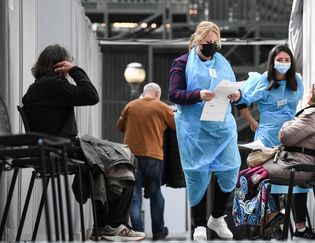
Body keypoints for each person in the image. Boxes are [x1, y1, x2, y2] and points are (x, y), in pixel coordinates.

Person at [22, 44, 146, 241]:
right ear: (59, 65)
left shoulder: (34, 89)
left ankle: (105, 226)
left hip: (48, 150)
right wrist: (75, 70)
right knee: (125, 157)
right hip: (63, 148)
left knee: (100, 164)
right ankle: (113, 224)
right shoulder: (54, 85)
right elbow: (91, 96)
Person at [168, 21, 242, 241]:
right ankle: (199, 224)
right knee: (197, 174)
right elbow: (174, 94)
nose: (212, 45)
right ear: (198, 40)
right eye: (208, 42)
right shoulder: (182, 63)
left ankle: (217, 217)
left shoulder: (223, 64)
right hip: (195, 129)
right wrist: (198, 94)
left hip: (221, 126)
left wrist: (237, 96)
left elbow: (233, 87)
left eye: (215, 42)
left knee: (231, 168)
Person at [233, 83, 315, 240]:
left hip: (297, 167)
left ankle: (266, 220)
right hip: (297, 164)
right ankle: (277, 221)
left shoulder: (310, 117)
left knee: (245, 176)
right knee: (253, 174)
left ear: (310, 98)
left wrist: (288, 121)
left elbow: (285, 136)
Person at [116, 83, 175, 240]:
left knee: (134, 195)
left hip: (131, 157)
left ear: (144, 92)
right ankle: (158, 233)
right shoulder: (162, 107)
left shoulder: (131, 105)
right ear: (157, 93)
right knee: (155, 194)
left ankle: (138, 233)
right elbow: (176, 125)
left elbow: (119, 126)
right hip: (153, 156)